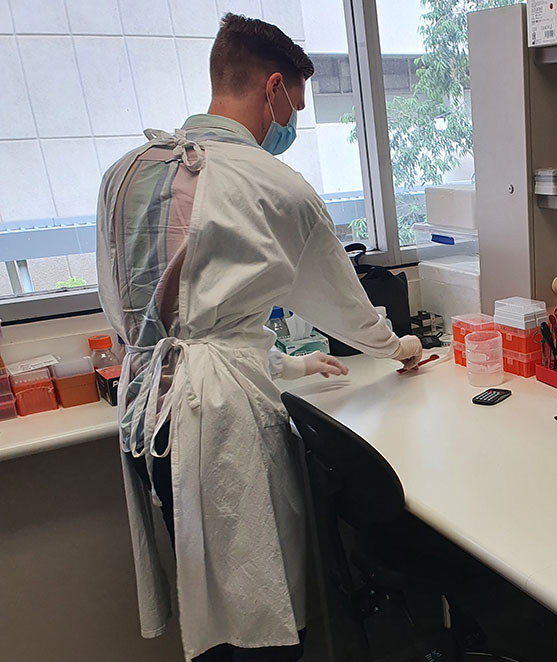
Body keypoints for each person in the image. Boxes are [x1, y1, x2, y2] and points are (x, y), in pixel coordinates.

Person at [95, 13, 423, 662]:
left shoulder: (125, 172)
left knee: (209, 607)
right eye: (295, 105)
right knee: (258, 618)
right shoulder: (268, 183)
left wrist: (289, 367)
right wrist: (401, 347)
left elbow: (178, 323)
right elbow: (344, 305)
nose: (291, 123)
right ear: (273, 88)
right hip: (214, 425)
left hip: (146, 417)